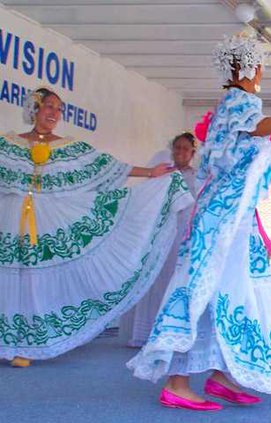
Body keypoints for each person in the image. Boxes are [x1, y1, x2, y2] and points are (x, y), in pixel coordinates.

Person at [127, 34, 271, 411]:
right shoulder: (240, 101)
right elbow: (255, 129)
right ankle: (177, 382)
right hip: (224, 217)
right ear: (250, 68)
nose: (261, 71)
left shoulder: (228, 104)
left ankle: (223, 374)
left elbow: (244, 143)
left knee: (234, 289)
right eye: (260, 65)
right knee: (208, 287)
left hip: (229, 213)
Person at [0, 87, 193, 368]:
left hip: (45, 220)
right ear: (35, 108)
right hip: (9, 216)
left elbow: (106, 167)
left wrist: (149, 172)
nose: (54, 113)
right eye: (49, 106)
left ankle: (28, 344)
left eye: (59, 109)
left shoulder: (68, 147)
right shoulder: (8, 144)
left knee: (32, 276)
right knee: (8, 275)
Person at [125, 132, 199, 347]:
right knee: (155, 279)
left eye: (186, 149)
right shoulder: (162, 173)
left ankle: (174, 333)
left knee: (177, 281)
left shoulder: (198, 176)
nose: (181, 152)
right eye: (177, 148)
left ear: (192, 152)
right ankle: (146, 333)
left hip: (185, 234)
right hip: (161, 232)